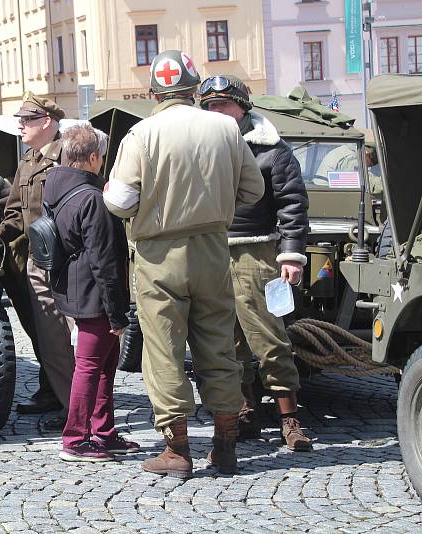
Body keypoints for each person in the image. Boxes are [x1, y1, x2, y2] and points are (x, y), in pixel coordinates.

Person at [103, 50, 264, 478]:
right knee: (219, 344)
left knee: (163, 351)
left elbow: (119, 201)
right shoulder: (225, 129)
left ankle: (177, 450)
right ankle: (226, 444)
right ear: (195, 89)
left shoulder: (141, 134)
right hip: (213, 248)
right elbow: (254, 189)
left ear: (154, 92)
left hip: (158, 255)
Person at [200, 75, 312, 452]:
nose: (217, 112)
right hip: (212, 251)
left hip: (256, 253)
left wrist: (291, 255)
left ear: (242, 107)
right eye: (210, 106)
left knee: (268, 339)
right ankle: (245, 410)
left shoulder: (273, 150)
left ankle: (289, 419)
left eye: (224, 105)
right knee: (226, 342)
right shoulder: (202, 147)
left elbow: (293, 204)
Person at [0, 92, 75, 426]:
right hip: (37, 258)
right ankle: (58, 397)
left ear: (46, 122)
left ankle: (75, 407)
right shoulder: (29, 160)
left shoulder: (67, 155)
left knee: (64, 337)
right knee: (46, 335)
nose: (20, 125)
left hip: (66, 261)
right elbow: (16, 210)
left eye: (27, 120)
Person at [42, 124, 136, 462]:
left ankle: (104, 432)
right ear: (94, 157)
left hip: (73, 289)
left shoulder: (53, 187)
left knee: (105, 364)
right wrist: (116, 312)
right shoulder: (93, 200)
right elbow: (106, 262)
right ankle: (75, 439)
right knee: (90, 366)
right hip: (94, 296)